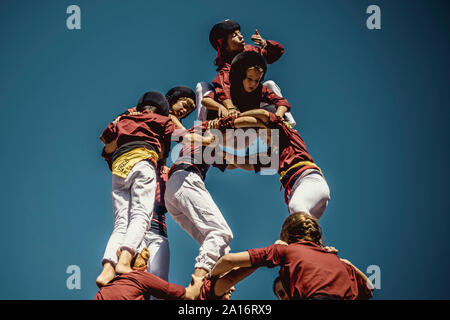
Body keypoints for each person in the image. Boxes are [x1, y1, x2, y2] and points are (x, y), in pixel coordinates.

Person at [96, 91, 175, 288]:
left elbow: (106, 138)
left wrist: (122, 118)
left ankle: (106, 270)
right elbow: (166, 144)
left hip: (120, 167)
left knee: (121, 222)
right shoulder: (162, 121)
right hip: (143, 161)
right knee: (141, 214)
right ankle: (124, 261)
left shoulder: (125, 118)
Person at [210, 212, 374, 300]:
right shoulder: (338, 262)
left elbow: (228, 260)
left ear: (286, 235)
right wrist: (347, 263)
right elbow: (369, 288)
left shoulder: (286, 250)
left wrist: (210, 277)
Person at [215, 107, 330, 219]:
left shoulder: (286, 133)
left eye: (267, 131)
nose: (266, 136)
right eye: (262, 134)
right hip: (300, 190)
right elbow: (247, 164)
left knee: (295, 209)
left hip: (309, 181)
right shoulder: (272, 155)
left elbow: (264, 114)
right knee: (296, 229)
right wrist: (224, 154)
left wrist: (234, 119)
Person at [196, 19, 295, 125]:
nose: (241, 36)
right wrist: (229, 108)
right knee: (202, 87)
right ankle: (200, 127)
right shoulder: (226, 66)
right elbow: (223, 88)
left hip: (253, 102)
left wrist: (265, 44)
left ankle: (286, 120)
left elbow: (277, 52)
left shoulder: (251, 51)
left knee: (270, 84)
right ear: (224, 44)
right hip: (234, 106)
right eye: (234, 35)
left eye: (240, 33)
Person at [202, 51, 291, 125]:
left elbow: (282, 102)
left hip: (248, 126)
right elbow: (206, 100)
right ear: (241, 76)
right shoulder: (232, 88)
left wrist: (279, 114)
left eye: (257, 80)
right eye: (249, 79)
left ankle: (287, 126)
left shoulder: (260, 89)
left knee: (272, 110)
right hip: (226, 126)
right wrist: (220, 107)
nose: (253, 84)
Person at [94, 248, 203, 300]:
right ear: (144, 267)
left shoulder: (107, 288)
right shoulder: (140, 277)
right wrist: (199, 281)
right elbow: (189, 295)